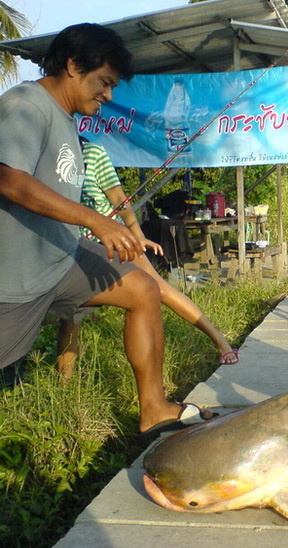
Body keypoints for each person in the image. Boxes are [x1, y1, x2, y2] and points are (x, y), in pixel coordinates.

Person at [0, 23, 213, 437]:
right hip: (14, 279)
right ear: (73, 66)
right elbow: (9, 179)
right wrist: (96, 220)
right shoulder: (26, 104)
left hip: (61, 256)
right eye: (104, 82)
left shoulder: (67, 120)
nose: (108, 95)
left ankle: (154, 408)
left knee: (143, 289)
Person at [56, 139, 238, 378]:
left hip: (115, 240)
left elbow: (120, 201)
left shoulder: (93, 153)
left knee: (159, 288)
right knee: (70, 317)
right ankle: (65, 388)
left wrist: (138, 236)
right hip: (78, 245)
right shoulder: (52, 155)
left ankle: (220, 341)